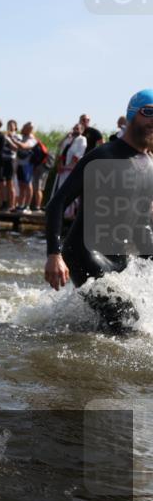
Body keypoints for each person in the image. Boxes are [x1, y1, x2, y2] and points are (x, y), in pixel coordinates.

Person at [44, 89, 153, 332]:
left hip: (120, 258)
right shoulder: (103, 156)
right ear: (132, 115)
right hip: (84, 253)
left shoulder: (150, 165)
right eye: (149, 112)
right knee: (128, 323)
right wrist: (54, 255)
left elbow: (142, 223)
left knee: (123, 321)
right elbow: (56, 204)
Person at [10, 121, 39, 211]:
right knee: (21, 184)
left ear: (29, 129)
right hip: (20, 163)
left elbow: (23, 146)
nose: (22, 128)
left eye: (24, 127)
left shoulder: (32, 139)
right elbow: (16, 147)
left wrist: (13, 140)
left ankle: (27, 205)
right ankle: (21, 204)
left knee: (28, 184)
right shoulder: (22, 136)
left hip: (28, 164)